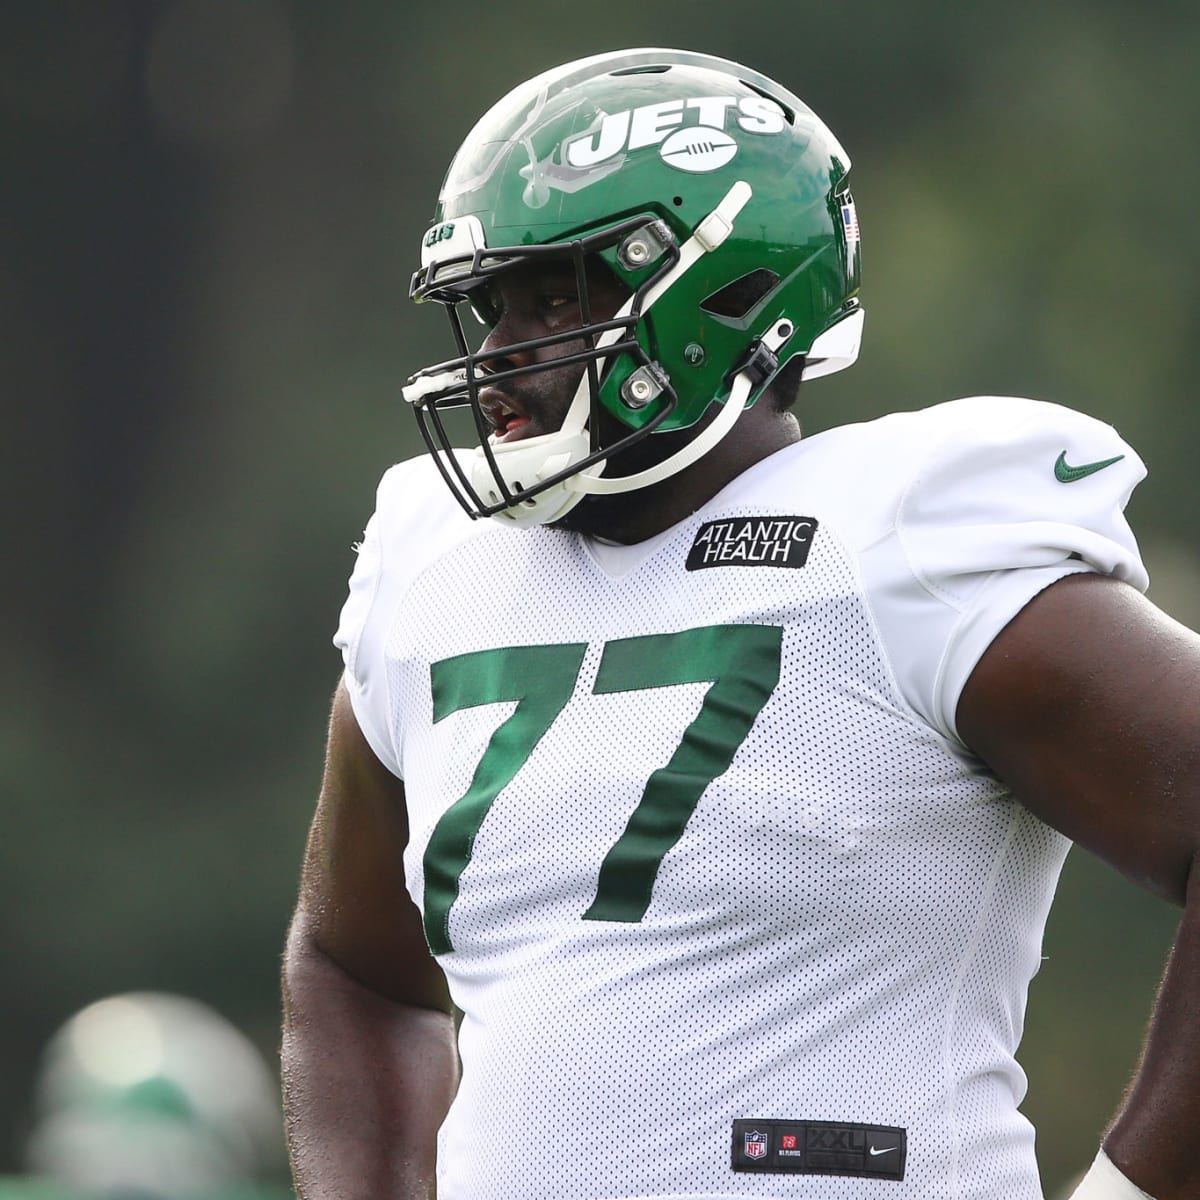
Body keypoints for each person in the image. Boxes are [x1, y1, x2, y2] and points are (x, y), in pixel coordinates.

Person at [280, 48, 1200, 1200]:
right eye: (493, 305)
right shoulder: (439, 567)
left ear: (730, 292)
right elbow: (355, 963)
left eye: (559, 295)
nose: (505, 354)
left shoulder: (907, 535)